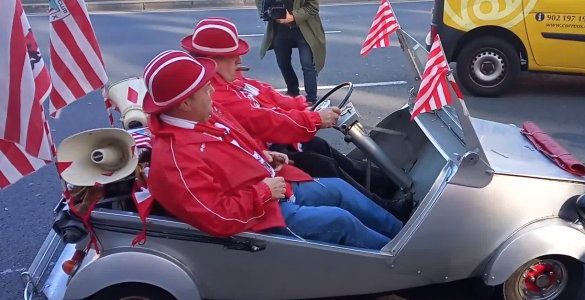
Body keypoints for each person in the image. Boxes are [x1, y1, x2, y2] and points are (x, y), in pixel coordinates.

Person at [142, 50, 403, 249]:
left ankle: (403, 234)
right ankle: (400, 264)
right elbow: (217, 217)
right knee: (338, 220)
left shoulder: (203, 115)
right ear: (185, 103)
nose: (212, 89)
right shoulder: (175, 161)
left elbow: (238, 141)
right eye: (204, 89)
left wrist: (264, 156)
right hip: (261, 218)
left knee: (338, 188)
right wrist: (263, 191)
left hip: (274, 190)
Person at [181, 17, 413, 221]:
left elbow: (268, 96)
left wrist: (305, 108)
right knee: (324, 166)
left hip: (269, 147)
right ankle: (385, 208)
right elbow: (263, 120)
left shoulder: (231, 79)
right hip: (265, 153)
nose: (240, 60)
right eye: (233, 57)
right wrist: (312, 119)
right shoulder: (218, 93)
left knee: (322, 147)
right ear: (212, 61)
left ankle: (386, 185)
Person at [254, 0, 326, 105]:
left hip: (304, 27)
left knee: (307, 64)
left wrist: (292, 16)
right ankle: (292, 91)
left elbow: (313, 7)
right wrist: (266, 12)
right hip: (280, 27)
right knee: (283, 62)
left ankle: (311, 99)